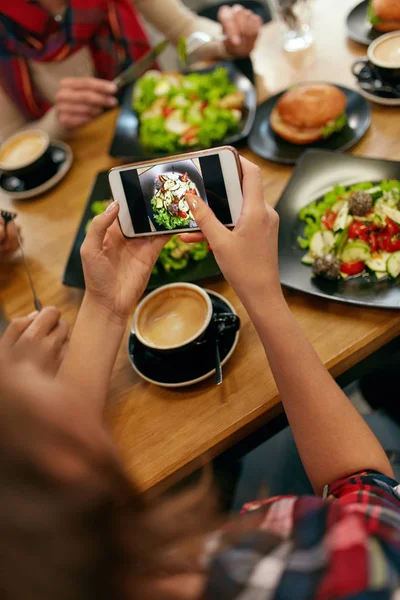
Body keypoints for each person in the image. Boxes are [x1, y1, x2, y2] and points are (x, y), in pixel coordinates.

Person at [1, 158, 400, 599]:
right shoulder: (320, 569)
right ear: (57, 467)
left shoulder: (52, 566)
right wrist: (262, 294)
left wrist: (105, 307)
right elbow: (364, 488)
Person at [0, 0, 262, 141]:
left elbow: (185, 29)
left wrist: (228, 40)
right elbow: (9, 144)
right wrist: (56, 122)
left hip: (155, 144)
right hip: (76, 180)